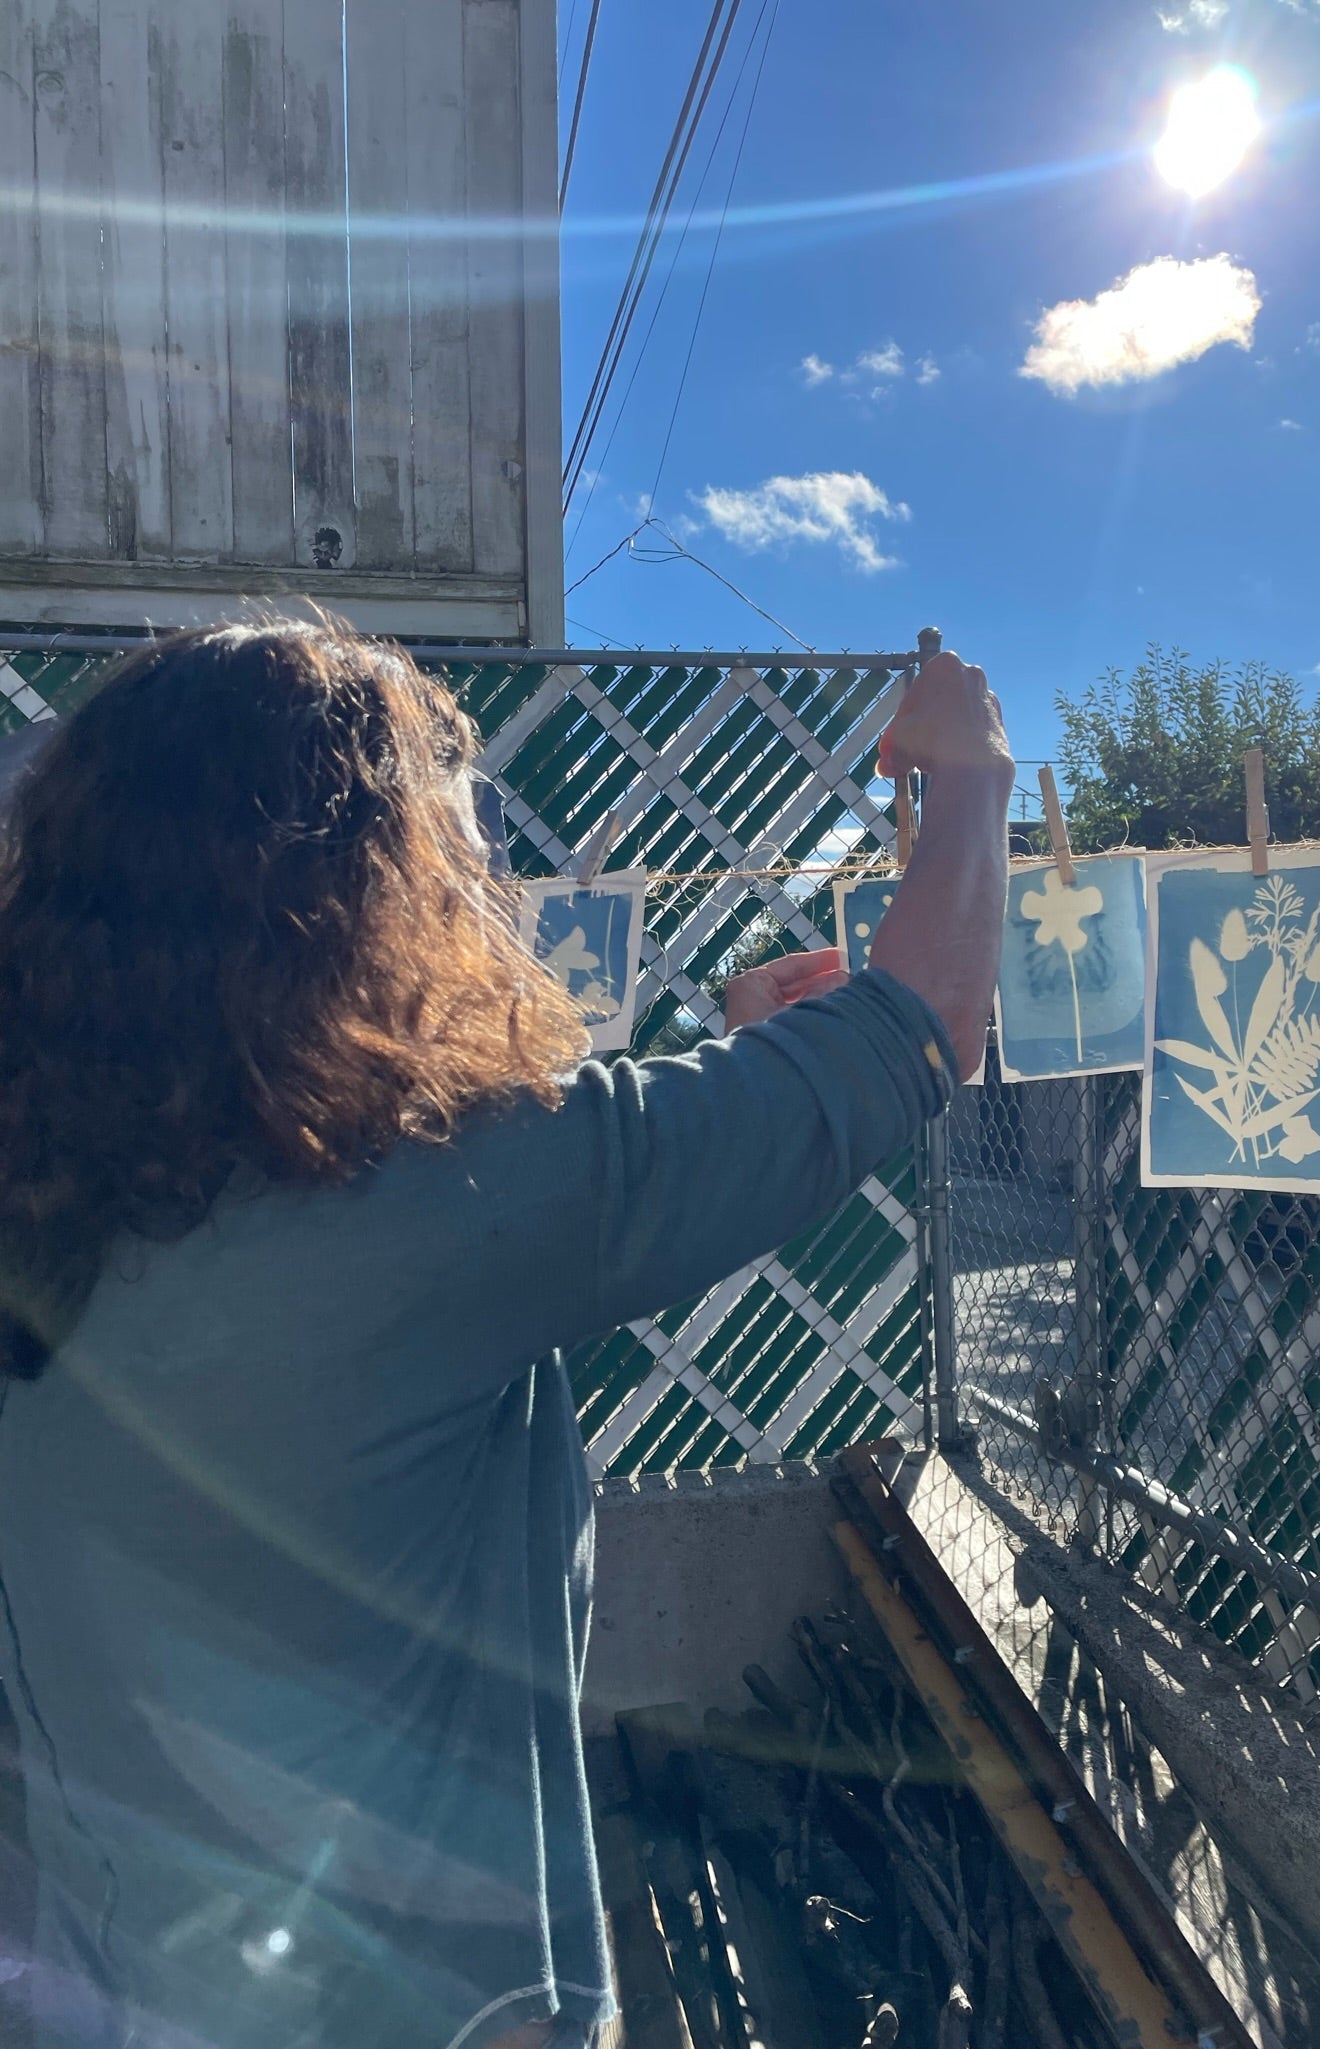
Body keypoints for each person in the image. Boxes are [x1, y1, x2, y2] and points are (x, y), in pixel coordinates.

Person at [0, 622, 1011, 2049]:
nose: (484, 888)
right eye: (450, 853)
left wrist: (733, 1038)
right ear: (355, 896)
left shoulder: (55, 1195)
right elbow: (913, 1031)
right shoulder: (424, 1200)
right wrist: (972, 777)